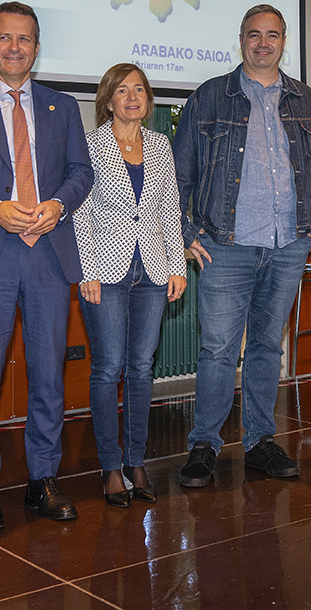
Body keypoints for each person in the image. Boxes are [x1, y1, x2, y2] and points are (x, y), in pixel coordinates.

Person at [174, 4, 311, 488]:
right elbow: (179, 172)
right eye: (254, 35)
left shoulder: (307, 101)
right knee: (218, 350)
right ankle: (204, 444)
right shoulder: (210, 97)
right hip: (225, 245)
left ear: (284, 41)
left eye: (272, 35)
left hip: (287, 244)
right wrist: (187, 232)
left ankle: (260, 441)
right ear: (241, 39)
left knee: (267, 346)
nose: (263, 43)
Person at [0, 1, 93, 528]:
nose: (15, 47)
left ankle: (43, 480)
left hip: (48, 255)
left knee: (48, 376)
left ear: (36, 47)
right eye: (5, 38)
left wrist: (57, 205)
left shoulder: (63, 106)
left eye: (25, 38)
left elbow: (81, 172)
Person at [73, 63, 188, 506]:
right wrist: (87, 271)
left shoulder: (160, 146)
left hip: (153, 272)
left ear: (148, 100)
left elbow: (168, 210)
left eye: (139, 89)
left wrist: (177, 266)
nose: (132, 97)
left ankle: (136, 461)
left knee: (141, 367)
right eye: (122, 90)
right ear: (108, 101)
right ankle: (110, 466)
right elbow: (80, 213)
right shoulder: (91, 145)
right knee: (108, 368)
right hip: (105, 271)